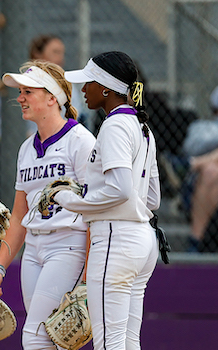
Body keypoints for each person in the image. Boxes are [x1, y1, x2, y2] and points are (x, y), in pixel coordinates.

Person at [0, 60, 96, 349]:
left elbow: (95, 211)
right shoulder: (26, 148)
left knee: (36, 337)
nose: (19, 98)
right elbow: (20, 213)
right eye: (20, 92)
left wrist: (86, 276)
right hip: (33, 250)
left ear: (52, 97)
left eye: (28, 92)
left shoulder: (80, 141)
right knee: (53, 340)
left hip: (68, 245)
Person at [55, 51, 161, 350]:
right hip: (141, 240)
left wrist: (71, 200)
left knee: (108, 343)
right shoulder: (143, 126)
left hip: (116, 239)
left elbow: (121, 190)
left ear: (105, 88)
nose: (83, 90)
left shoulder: (114, 125)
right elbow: (152, 197)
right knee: (128, 341)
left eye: (88, 83)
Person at [181, 82, 218, 250]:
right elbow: (190, 147)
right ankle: (195, 241)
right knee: (212, 169)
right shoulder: (203, 127)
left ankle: (191, 165)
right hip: (207, 185)